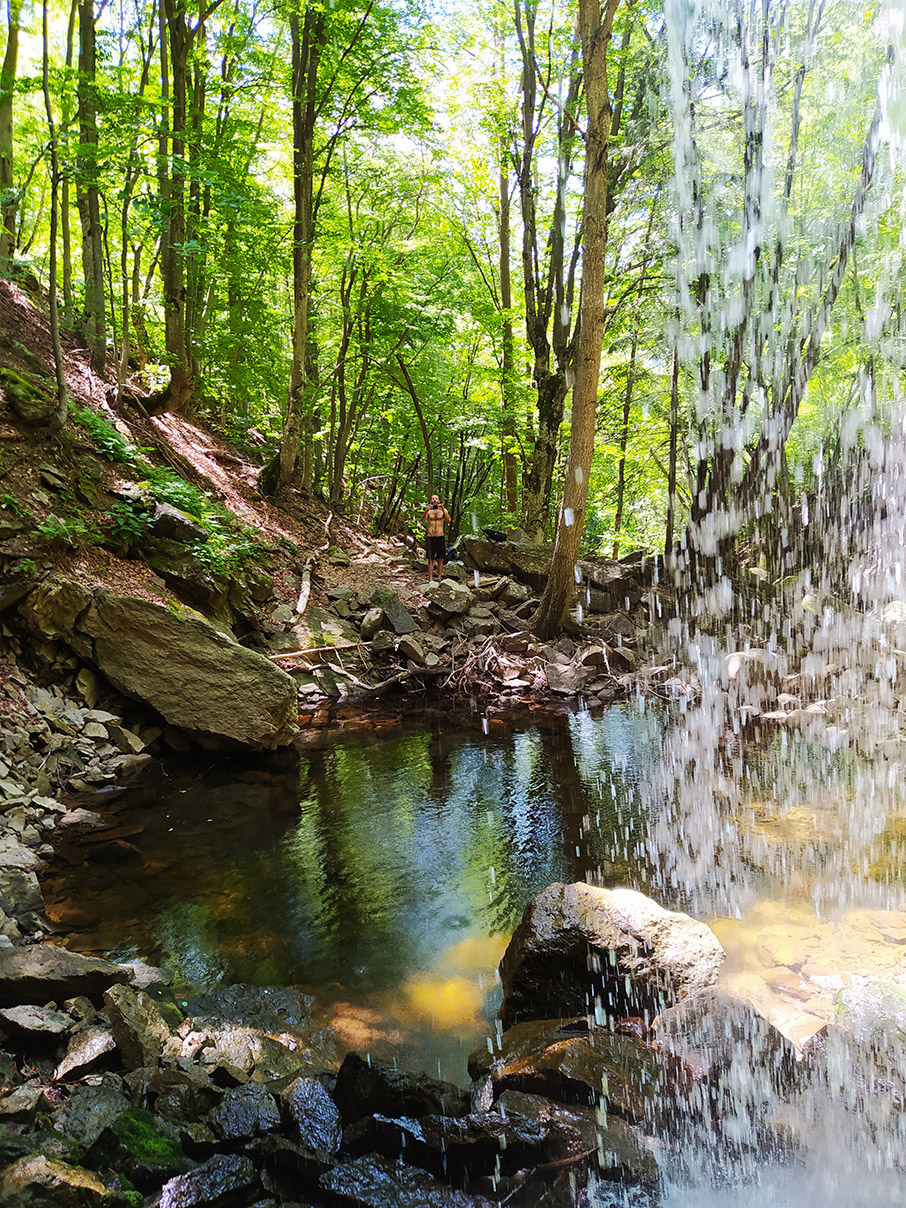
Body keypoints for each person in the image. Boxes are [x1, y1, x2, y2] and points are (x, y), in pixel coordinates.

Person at [422, 494, 451, 582]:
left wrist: (443, 509)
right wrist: (426, 510)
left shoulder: (443, 510)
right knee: (430, 559)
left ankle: (439, 577)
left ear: (438, 501)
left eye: (436, 499)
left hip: (440, 536)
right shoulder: (429, 511)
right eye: (433, 499)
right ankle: (430, 579)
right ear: (431, 500)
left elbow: (449, 519)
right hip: (430, 537)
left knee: (440, 559)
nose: (434, 500)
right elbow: (423, 521)